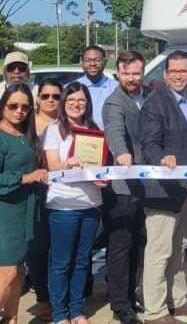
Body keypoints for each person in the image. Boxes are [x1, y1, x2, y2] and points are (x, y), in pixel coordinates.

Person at [139, 51, 187, 324]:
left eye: (182, 71)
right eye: (172, 72)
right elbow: (149, 144)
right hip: (163, 188)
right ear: (165, 75)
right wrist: (160, 159)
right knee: (159, 250)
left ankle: (177, 299)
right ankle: (155, 311)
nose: (177, 76)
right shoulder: (155, 103)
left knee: (181, 246)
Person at [44, 82, 104, 324]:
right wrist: (70, 162)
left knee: (82, 261)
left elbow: (98, 166)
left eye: (81, 100)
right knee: (61, 262)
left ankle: (77, 311)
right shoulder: (54, 129)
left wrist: (101, 178)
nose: (76, 104)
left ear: (87, 104)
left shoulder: (94, 130)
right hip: (63, 206)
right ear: (63, 103)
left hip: (91, 204)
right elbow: (52, 165)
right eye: (71, 100)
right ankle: (60, 314)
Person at [102, 51, 152, 324]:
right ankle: (120, 305)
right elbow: (114, 131)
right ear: (118, 73)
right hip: (121, 187)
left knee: (141, 244)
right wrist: (121, 153)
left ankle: (133, 295)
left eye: (136, 73)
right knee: (121, 246)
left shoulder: (150, 96)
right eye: (126, 73)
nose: (132, 78)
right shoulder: (113, 102)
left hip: (147, 185)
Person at [0, 83, 48, 324]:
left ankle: (12, 319)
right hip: (5, 213)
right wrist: (25, 177)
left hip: (27, 212)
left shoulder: (26, 136)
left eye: (25, 107)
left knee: (18, 272)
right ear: (3, 106)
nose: (19, 111)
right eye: (13, 105)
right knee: (7, 274)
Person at [27, 79, 63, 322]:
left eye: (56, 96)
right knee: (38, 250)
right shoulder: (26, 124)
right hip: (35, 194)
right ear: (37, 99)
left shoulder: (68, 123)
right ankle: (42, 297)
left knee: (59, 250)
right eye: (46, 96)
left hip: (62, 195)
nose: (51, 100)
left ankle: (63, 296)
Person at [75, 45, 118, 130]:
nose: (92, 64)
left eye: (97, 60)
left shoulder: (116, 88)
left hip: (108, 140)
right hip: (79, 138)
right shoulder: (71, 88)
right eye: (87, 60)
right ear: (81, 62)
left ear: (105, 62)